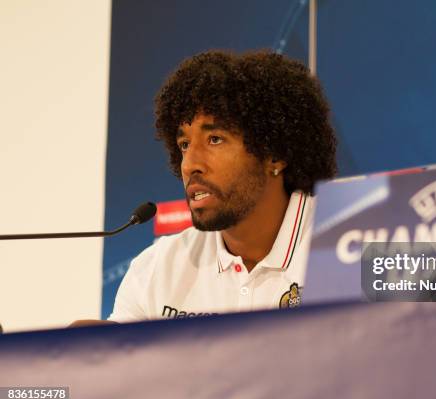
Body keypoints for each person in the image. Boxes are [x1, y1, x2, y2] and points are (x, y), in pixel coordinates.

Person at [106, 50, 337, 321]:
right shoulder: (154, 272)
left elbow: (398, 343)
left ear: (275, 153)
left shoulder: (363, 241)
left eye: (214, 139)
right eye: (184, 145)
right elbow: (118, 358)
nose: (189, 164)